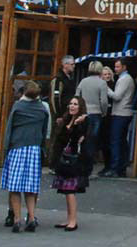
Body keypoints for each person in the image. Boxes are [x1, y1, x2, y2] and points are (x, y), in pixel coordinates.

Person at [1, 80, 51, 232]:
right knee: (31, 187)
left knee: (15, 186)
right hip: (34, 149)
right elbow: (44, 132)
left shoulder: (18, 107)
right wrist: (43, 149)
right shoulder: (43, 109)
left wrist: (5, 149)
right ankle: (31, 217)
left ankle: (17, 219)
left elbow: (9, 129)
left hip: (17, 148)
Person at [51, 95, 91, 231]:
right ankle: (69, 218)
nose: (72, 106)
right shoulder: (66, 119)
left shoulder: (83, 121)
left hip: (74, 159)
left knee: (70, 190)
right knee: (65, 190)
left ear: (80, 107)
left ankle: (73, 220)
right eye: (71, 104)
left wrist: (80, 123)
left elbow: (82, 137)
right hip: (64, 158)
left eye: (75, 104)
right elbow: (60, 139)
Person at [104, 59, 136, 178]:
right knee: (121, 141)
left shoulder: (125, 79)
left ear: (124, 67)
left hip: (121, 113)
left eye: (117, 67)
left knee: (116, 141)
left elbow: (117, 96)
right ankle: (121, 167)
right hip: (124, 113)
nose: (115, 69)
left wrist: (105, 87)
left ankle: (115, 168)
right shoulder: (125, 79)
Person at [75, 61, 109, 166]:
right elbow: (104, 101)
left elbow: (77, 95)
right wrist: (104, 112)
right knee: (92, 140)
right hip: (96, 113)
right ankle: (88, 165)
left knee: (83, 138)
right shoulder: (102, 83)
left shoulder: (83, 81)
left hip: (84, 113)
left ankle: (80, 162)